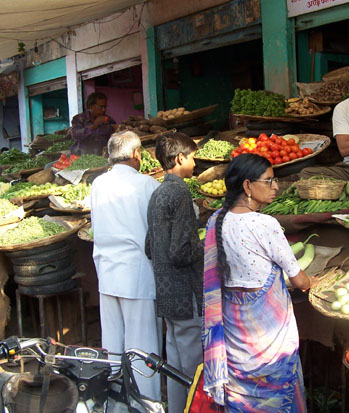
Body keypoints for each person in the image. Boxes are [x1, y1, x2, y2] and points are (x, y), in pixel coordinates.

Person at [202, 153, 316, 411]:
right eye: (269, 181)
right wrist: (313, 280)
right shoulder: (265, 224)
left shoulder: (215, 221)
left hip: (235, 338)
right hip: (269, 343)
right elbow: (299, 280)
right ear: (247, 186)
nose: (276, 187)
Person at [90, 130, 162, 401]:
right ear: (136, 155)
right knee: (142, 347)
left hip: (107, 273)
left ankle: (114, 400)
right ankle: (145, 403)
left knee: (113, 347)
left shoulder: (98, 183)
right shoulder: (146, 184)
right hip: (137, 274)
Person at [145, 132, 203, 413]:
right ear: (180, 158)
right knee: (193, 366)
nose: (194, 162)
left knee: (176, 364)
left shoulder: (157, 192)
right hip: (184, 292)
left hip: (166, 293)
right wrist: (207, 249)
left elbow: (150, 245)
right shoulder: (179, 191)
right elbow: (181, 251)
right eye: (192, 157)